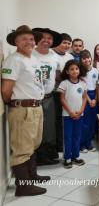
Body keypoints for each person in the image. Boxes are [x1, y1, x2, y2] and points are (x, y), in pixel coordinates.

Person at [1, 25, 50, 196]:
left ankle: (32, 175)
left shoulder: (32, 59)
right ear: (16, 41)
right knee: (22, 147)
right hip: (23, 109)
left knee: (33, 144)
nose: (29, 42)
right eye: (24, 39)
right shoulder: (14, 60)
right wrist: (17, 105)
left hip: (36, 107)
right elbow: (6, 90)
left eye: (31, 39)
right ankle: (23, 186)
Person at [32, 27, 62, 165]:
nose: (46, 40)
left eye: (49, 38)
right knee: (36, 128)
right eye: (43, 37)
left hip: (49, 97)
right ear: (37, 39)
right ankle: (37, 157)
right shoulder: (30, 54)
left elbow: (57, 75)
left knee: (49, 127)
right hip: (33, 99)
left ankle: (47, 154)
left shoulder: (54, 56)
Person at [58, 60, 87, 169]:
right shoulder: (64, 83)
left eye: (76, 69)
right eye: (72, 69)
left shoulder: (83, 83)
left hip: (80, 114)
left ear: (79, 70)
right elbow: (62, 99)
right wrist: (70, 112)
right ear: (67, 71)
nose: (74, 71)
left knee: (77, 136)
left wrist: (81, 111)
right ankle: (67, 158)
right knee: (68, 137)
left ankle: (76, 156)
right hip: (67, 115)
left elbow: (84, 98)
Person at [52, 33, 74, 153]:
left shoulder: (70, 57)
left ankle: (64, 144)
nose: (66, 45)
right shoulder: (50, 54)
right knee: (56, 120)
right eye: (64, 42)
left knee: (67, 118)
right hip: (54, 93)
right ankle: (57, 145)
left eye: (68, 43)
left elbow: (73, 73)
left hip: (69, 92)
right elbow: (57, 76)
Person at [79, 50, 98, 152]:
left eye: (88, 57)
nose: (86, 60)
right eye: (84, 58)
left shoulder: (96, 70)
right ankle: (82, 144)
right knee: (84, 122)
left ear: (91, 58)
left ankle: (89, 143)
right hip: (84, 96)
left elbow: (98, 87)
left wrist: (95, 99)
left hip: (94, 96)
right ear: (81, 60)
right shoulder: (80, 72)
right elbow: (82, 88)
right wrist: (89, 100)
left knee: (92, 122)